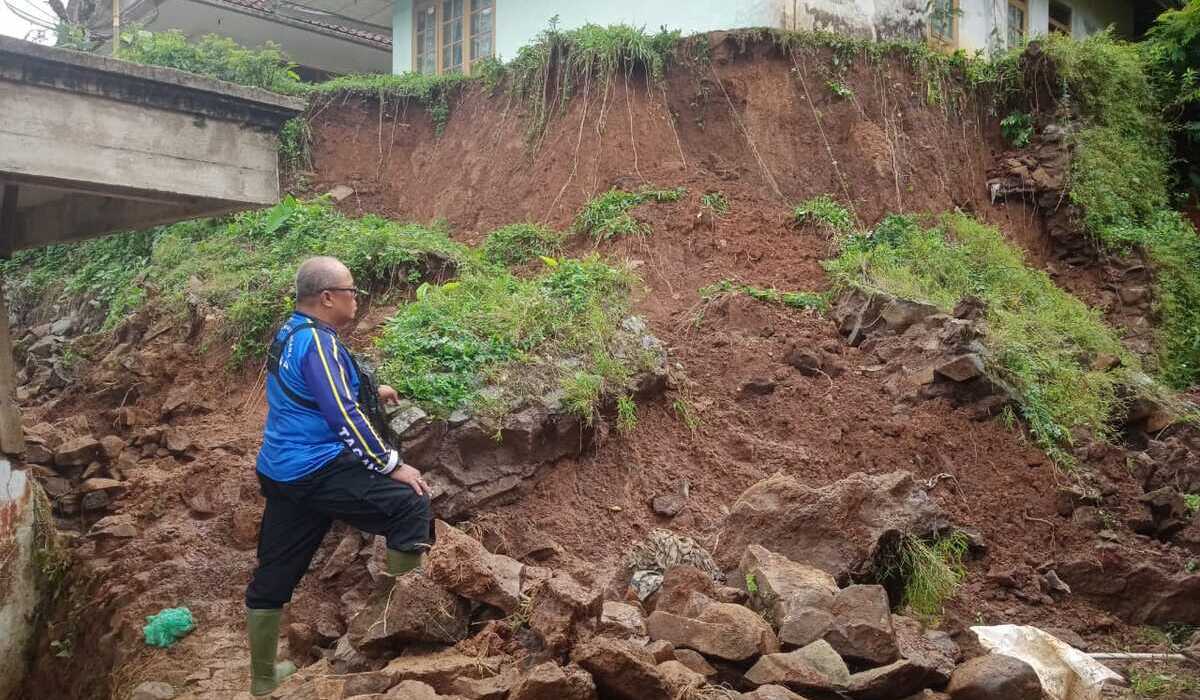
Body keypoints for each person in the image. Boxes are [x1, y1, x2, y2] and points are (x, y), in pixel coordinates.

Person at [244, 256, 432, 696]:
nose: (356, 299)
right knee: (410, 503)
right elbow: (341, 413)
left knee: (275, 570)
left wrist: (372, 387)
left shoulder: (290, 331)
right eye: (351, 291)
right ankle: (396, 633)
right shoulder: (318, 343)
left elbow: (322, 386)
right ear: (328, 298)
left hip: (281, 471)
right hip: (317, 468)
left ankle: (263, 677)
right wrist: (391, 464)